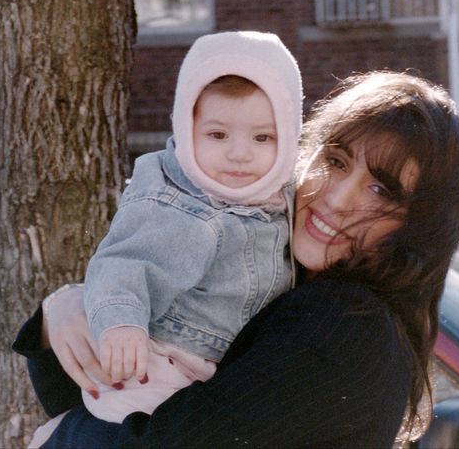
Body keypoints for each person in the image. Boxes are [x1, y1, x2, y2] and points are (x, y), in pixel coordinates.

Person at [14, 69, 459, 448]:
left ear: (419, 225)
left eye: (381, 190)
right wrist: (65, 313)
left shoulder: (343, 323)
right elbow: (109, 400)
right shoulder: (274, 281)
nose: (336, 199)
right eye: (334, 161)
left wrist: (63, 431)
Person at [26, 30, 303, 447]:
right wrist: (121, 323)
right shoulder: (175, 200)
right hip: (153, 365)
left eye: (262, 137)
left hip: (207, 369)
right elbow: (124, 263)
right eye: (218, 135)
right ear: (186, 129)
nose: (240, 154)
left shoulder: (280, 198)